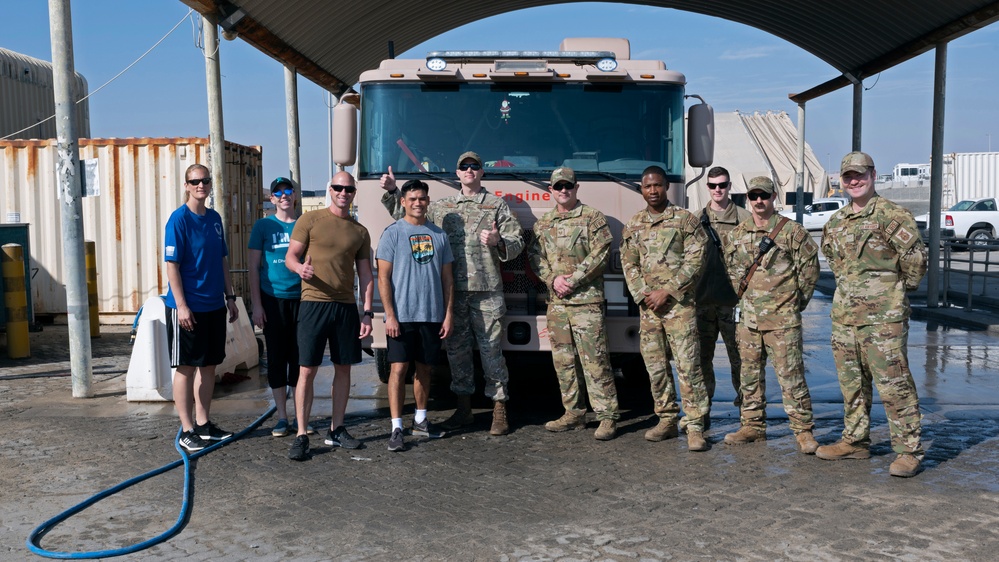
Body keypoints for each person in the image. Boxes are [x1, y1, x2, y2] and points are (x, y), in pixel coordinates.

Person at [380, 151, 524, 436]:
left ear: (482, 172)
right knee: (457, 353)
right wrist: (393, 191)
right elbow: (407, 214)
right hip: (451, 293)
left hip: (486, 291)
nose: (469, 170)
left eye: (475, 166)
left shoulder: (496, 205)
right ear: (457, 174)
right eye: (464, 167)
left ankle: (499, 409)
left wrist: (499, 241)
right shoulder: (443, 206)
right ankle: (463, 408)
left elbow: (517, 240)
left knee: (491, 352)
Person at [817, 152, 928, 477]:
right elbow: (835, 262)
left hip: (884, 321)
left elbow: (915, 261)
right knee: (851, 385)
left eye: (860, 174)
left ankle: (909, 450)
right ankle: (855, 441)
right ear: (841, 180)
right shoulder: (835, 223)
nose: (854, 181)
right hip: (845, 318)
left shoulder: (893, 216)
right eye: (848, 176)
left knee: (893, 385)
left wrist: (892, 293)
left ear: (873, 175)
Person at [722, 176, 820, 454]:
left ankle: (803, 431)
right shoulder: (738, 234)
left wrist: (792, 303)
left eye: (763, 195)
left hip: (782, 322)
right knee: (749, 376)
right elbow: (732, 270)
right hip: (749, 321)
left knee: (791, 377)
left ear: (773, 196)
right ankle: (752, 426)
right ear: (748, 199)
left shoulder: (792, 232)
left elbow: (809, 272)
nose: (759, 201)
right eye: (754, 196)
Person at [284, 171, 374, 461]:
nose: (343, 192)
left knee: (344, 368)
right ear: (330, 189)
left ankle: (337, 429)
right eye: (338, 187)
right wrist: (301, 270)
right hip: (313, 304)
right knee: (307, 370)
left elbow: (365, 274)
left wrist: (368, 312)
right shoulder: (310, 220)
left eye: (348, 188)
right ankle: (301, 434)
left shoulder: (360, 231)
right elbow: (290, 257)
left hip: (346, 306)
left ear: (353, 193)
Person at [620, 165, 710, 452]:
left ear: (666, 186)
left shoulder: (685, 221)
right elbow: (628, 263)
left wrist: (667, 291)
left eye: (657, 185)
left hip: (679, 308)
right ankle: (667, 420)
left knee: (688, 367)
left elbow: (697, 259)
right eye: (647, 186)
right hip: (648, 310)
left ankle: (695, 426)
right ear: (642, 189)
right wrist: (643, 294)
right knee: (656, 368)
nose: (653, 191)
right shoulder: (634, 224)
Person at [527, 167, 620, 441]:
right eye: (558, 186)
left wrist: (574, 279)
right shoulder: (543, 224)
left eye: (568, 185)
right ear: (551, 190)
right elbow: (535, 257)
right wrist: (553, 279)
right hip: (557, 304)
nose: (563, 190)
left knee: (596, 361)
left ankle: (607, 416)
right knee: (564, 362)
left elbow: (601, 253)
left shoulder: (592, 218)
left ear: (577, 188)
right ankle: (574, 413)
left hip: (586, 302)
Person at [163, 163, 238, 452]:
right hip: (188, 307)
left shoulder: (215, 219)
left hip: (213, 306)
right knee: (185, 368)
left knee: (209, 367)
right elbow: (173, 267)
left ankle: (204, 424)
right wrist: (181, 306)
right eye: (194, 181)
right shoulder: (178, 220)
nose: (200, 186)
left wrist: (230, 298)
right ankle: (186, 428)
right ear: (186, 185)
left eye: (205, 181)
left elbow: (222, 261)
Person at [377, 179, 455, 452]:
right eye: (412, 199)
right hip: (401, 315)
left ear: (427, 201)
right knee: (398, 369)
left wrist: (447, 315)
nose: (417, 203)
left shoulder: (440, 235)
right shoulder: (393, 233)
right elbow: (383, 277)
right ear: (403, 202)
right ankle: (397, 427)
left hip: (431, 316)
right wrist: (390, 315)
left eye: (422, 198)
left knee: (425, 368)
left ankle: (421, 421)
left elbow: (448, 280)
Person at [249, 177, 307, 438]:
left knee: (299, 358)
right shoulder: (262, 226)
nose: (283, 195)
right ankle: (281, 417)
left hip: (301, 299)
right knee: (276, 358)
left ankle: (299, 418)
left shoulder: (304, 224)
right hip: (272, 299)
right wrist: (257, 306)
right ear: (271, 199)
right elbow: (253, 268)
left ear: (294, 195)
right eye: (278, 192)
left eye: (287, 191)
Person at [695, 166, 752, 417]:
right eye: (712, 185)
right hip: (703, 301)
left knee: (740, 357)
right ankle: (703, 409)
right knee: (702, 358)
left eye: (722, 185)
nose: (717, 190)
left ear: (730, 186)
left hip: (733, 302)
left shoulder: (744, 219)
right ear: (707, 187)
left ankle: (747, 410)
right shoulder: (696, 220)